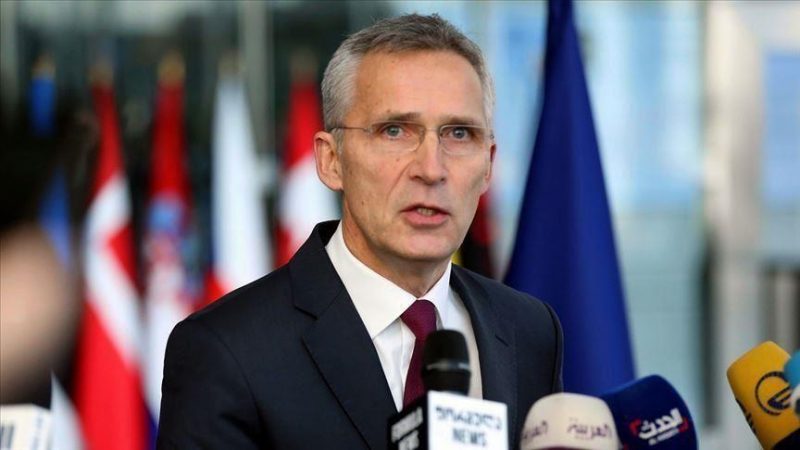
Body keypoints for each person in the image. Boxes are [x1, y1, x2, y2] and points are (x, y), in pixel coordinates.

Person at [157, 13, 562, 450]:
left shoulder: (530, 330)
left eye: (459, 133)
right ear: (331, 160)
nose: (431, 169)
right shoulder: (226, 350)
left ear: (488, 165)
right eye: (394, 131)